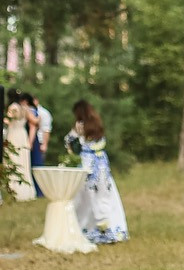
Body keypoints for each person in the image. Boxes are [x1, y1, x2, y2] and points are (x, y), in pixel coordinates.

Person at [65, 100, 129, 244]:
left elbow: (69, 141)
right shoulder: (97, 124)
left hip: (87, 163)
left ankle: (88, 229)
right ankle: (111, 228)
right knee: (105, 195)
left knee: (85, 196)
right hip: (101, 165)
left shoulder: (79, 126)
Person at [3, 93, 34, 201]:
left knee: (13, 160)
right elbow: (34, 121)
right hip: (22, 135)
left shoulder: (13, 107)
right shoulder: (25, 108)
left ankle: (14, 190)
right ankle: (26, 191)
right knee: (23, 163)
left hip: (14, 135)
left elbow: (8, 120)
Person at [32, 93, 53, 197]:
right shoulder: (30, 111)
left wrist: (44, 144)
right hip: (32, 141)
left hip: (39, 141)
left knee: (39, 167)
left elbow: (46, 130)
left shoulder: (43, 113)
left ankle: (41, 192)